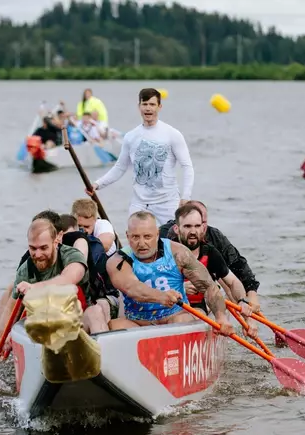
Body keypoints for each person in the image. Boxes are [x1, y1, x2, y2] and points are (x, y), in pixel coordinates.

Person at [0, 219, 109, 359]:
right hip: (47, 326)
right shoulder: (26, 270)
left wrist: (34, 288)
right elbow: (10, 309)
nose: (38, 254)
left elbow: (68, 279)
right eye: (33, 248)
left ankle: (104, 361)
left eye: (43, 248)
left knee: (95, 311)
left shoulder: (71, 256)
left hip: (80, 323)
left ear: (56, 240)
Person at [105, 211, 234, 334]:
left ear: (157, 234)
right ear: (127, 236)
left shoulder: (178, 252)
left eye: (147, 236)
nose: (142, 243)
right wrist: (161, 297)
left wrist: (220, 317)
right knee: (115, 325)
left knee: (182, 320)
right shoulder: (117, 261)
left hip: (175, 317)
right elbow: (132, 288)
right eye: (135, 237)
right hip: (139, 323)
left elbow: (208, 287)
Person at [87, 88, 195, 227]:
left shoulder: (172, 134)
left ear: (159, 107)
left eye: (152, 104)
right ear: (139, 107)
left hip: (167, 203)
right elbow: (120, 167)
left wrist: (186, 196)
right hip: (140, 203)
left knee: (170, 244)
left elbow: (187, 166)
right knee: (137, 242)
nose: (148, 108)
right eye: (145, 104)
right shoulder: (131, 137)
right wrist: (97, 184)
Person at [159, 200, 261, 314]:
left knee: (223, 283)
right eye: (188, 226)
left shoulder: (212, 245)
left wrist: (245, 300)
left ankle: (242, 322)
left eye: (198, 225)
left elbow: (236, 275)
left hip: (196, 306)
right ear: (176, 228)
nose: (193, 231)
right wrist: (180, 287)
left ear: (203, 226)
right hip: (164, 305)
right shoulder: (162, 248)